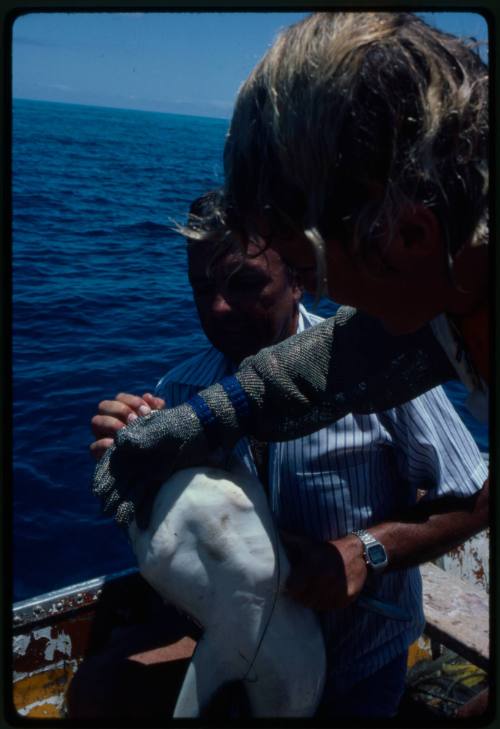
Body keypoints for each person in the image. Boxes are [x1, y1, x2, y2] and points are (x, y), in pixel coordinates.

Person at [89, 191, 488, 719]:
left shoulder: (382, 366)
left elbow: (478, 497)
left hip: (360, 670)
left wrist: (365, 550)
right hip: (239, 660)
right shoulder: (180, 392)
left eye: (245, 283)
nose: (219, 308)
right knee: (100, 688)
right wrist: (128, 456)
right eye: (201, 288)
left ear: (300, 275)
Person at [92, 14, 489, 531]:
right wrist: (207, 416)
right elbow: (341, 357)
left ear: (409, 236)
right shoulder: (450, 291)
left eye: (309, 267)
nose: (320, 295)